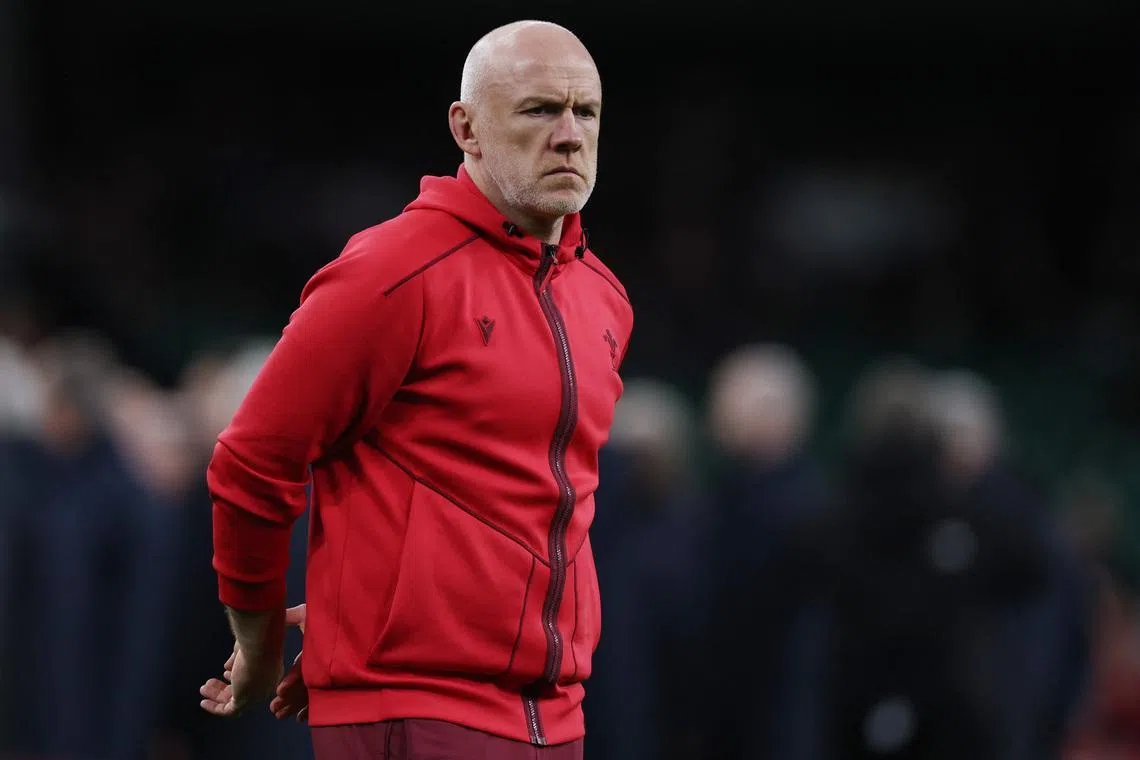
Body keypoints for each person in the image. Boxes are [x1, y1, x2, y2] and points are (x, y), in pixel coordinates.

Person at [198, 18, 632, 760]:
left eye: (583, 112)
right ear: (466, 127)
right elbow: (251, 463)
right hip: (417, 711)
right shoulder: (394, 271)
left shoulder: (604, 297)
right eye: (537, 110)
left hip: (556, 717)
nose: (568, 134)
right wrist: (260, 639)